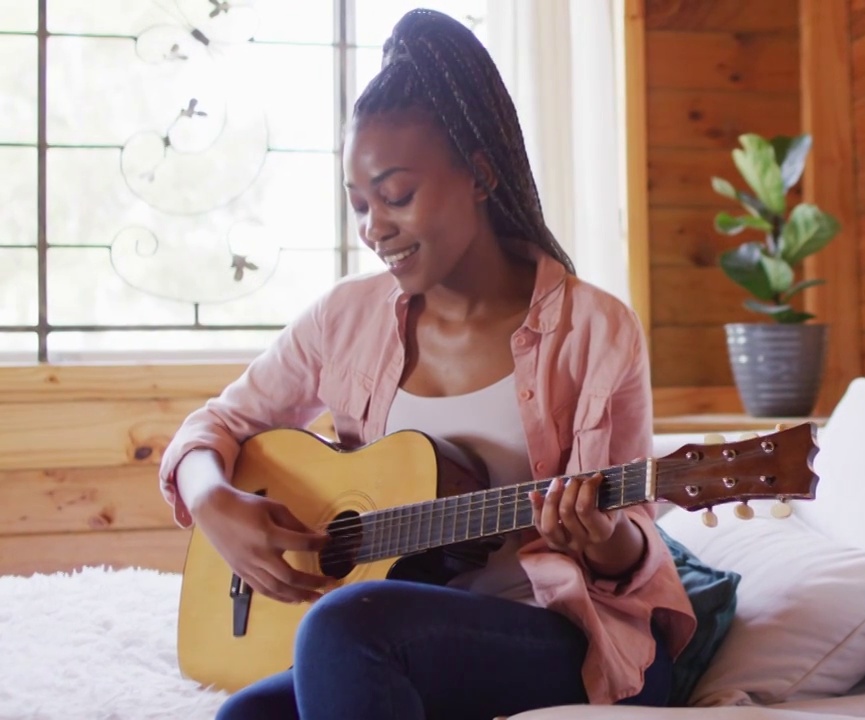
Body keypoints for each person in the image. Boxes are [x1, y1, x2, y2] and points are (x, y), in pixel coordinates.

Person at [158, 9, 696, 719]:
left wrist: (600, 540)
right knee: (242, 716)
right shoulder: (343, 318)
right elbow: (216, 425)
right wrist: (212, 501)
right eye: (358, 204)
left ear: (479, 173)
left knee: (349, 624)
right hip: (399, 628)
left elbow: (633, 548)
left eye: (396, 195)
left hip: (564, 633)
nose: (373, 227)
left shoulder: (594, 329)